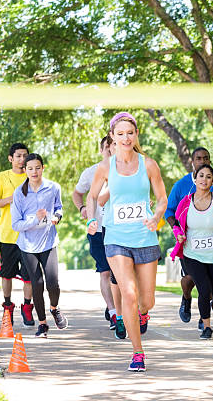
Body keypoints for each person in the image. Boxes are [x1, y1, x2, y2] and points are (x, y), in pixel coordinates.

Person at [86, 112, 167, 372]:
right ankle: (137, 352)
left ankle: (143, 313)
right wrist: (90, 219)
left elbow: (162, 198)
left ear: (136, 135)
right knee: (128, 295)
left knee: (147, 300)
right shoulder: (105, 167)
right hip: (116, 238)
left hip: (145, 237)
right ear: (112, 137)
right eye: (119, 134)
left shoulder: (149, 164)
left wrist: (156, 217)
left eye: (129, 133)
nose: (125, 137)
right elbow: (92, 197)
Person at [165, 147, 213, 330]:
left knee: (211, 288)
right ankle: (186, 298)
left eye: (206, 158)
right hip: (189, 245)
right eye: (198, 158)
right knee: (190, 280)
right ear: (192, 163)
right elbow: (170, 212)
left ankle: (208, 314)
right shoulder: (181, 186)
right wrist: (177, 230)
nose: (202, 161)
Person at [11, 153, 68, 337]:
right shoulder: (19, 193)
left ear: (43, 168)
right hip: (28, 245)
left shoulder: (53, 188)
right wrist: (34, 220)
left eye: (37, 167)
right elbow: (16, 224)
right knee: (37, 284)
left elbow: (59, 207)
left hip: (49, 242)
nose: (34, 171)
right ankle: (42, 324)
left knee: (53, 283)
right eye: (30, 168)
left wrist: (56, 218)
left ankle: (54, 308)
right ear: (25, 171)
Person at [72, 136, 121, 331]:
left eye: (114, 146)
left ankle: (122, 309)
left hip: (120, 229)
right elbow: (77, 193)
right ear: (102, 150)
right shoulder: (91, 172)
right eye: (107, 147)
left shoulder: (128, 170)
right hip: (98, 229)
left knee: (121, 273)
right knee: (105, 271)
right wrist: (83, 208)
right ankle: (113, 312)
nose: (111, 150)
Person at [0, 143, 35, 328]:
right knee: (6, 274)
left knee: (29, 275)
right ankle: (7, 306)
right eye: (18, 156)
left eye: (25, 156)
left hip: (30, 235)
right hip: (8, 235)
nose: (22, 159)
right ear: (11, 158)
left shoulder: (33, 176)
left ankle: (27, 307)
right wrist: (12, 198)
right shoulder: (1, 177)